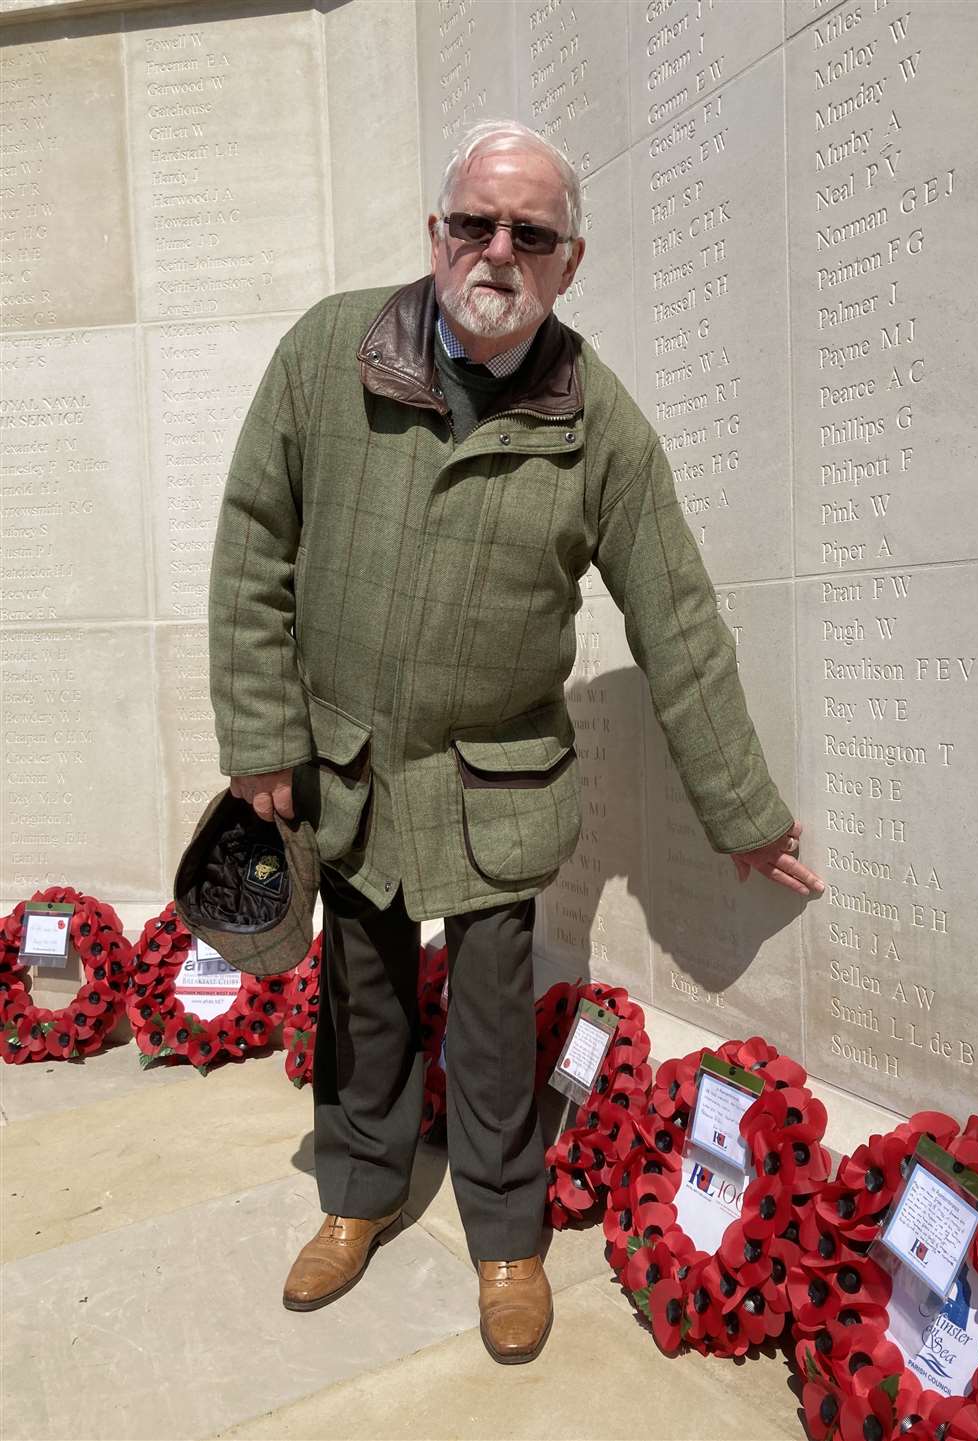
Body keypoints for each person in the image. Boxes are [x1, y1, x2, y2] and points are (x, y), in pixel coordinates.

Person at [208, 118, 824, 1365]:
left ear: (569, 261)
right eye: (477, 223)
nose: (499, 249)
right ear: (436, 235)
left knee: (492, 1018)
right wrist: (264, 735)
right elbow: (253, 538)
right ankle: (361, 1189)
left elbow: (678, 616)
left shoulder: (598, 420)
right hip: (349, 767)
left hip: (497, 781)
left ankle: (506, 1235)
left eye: (529, 233)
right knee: (361, 991)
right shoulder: (330, 351)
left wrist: (744, 812)